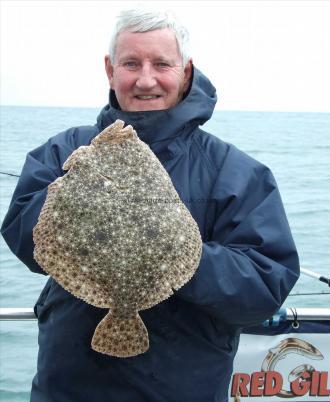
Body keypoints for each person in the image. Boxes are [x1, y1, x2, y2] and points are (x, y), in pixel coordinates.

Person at [1, 8, 300, 402]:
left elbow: (265, 285)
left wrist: (175, 255)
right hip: (67, 387)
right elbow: (24, 236)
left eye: (161, 64)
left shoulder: (237, 172)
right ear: (110, 70)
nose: (145, 79)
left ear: (186, 70)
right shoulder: (65, 150)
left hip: (184, 390)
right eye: (131, 63)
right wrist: (75, 197)